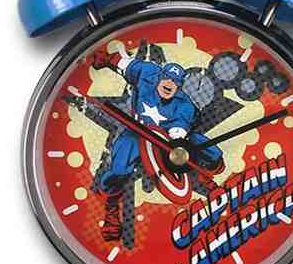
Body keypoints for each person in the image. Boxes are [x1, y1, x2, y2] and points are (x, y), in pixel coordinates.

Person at [92, 50, 224, 241]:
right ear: (159, 76)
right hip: (137, 133)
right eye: (167, 78)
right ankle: (111, 210)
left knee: (210, 151)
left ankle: (204, 176)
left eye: (175, 82)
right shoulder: (146, 73)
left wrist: (177, 144)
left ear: (180, 86)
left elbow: (179, 130)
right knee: (118, 169)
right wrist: (105, 59)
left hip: (170, 141)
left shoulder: (185, 105)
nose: (169, 83)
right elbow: (122, 63)